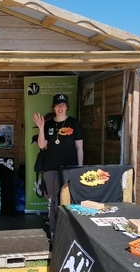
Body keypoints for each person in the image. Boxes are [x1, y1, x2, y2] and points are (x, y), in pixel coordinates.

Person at [32, 94, 83, 244]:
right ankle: (54, 231)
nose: (60, 107)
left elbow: (80, 148)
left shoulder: (74, 123)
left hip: (70, 168)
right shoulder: (47, 125)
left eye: (63, 104)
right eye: (57, 105)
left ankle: (69, 229)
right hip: (50, 167)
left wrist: (79, 168)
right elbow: (42, 145)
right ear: (53, 108)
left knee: (68, 199)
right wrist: (41, 127)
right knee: (53, 200)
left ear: (67, 107)